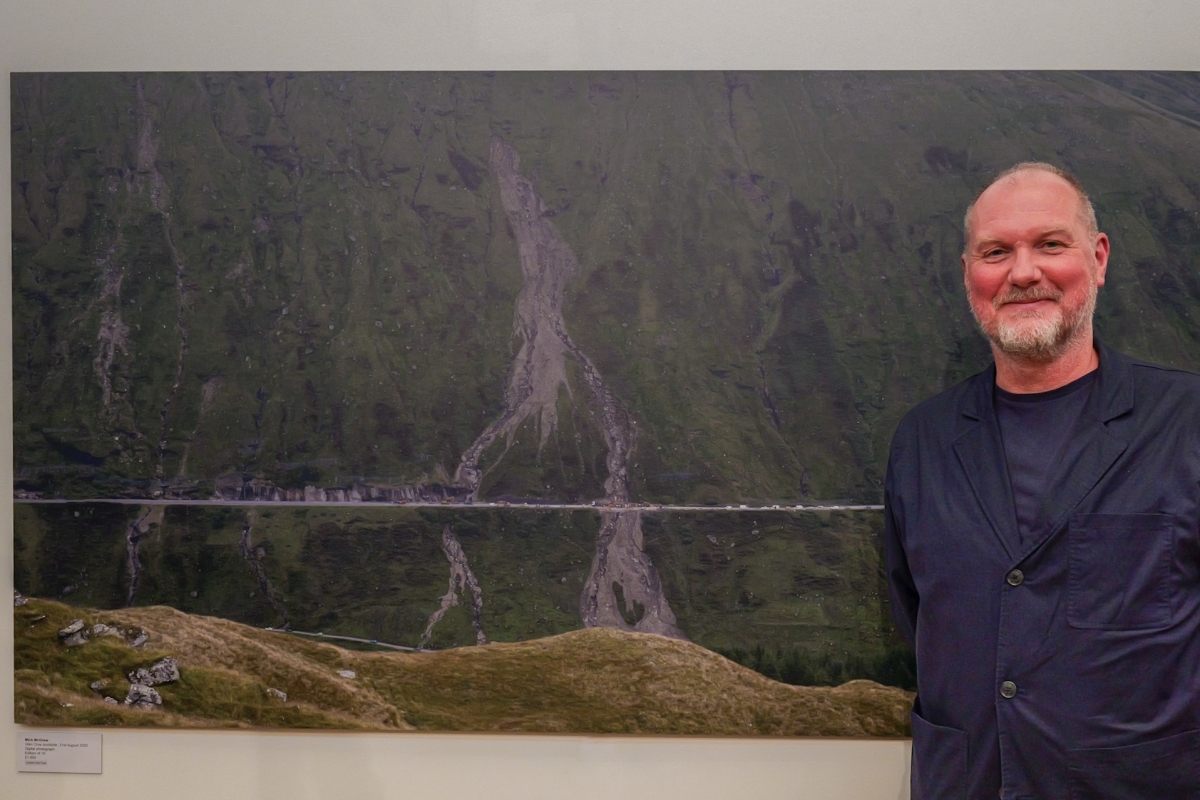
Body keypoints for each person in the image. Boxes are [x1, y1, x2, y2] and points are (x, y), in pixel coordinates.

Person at [884, 163, 1200, 799]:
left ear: (1099, 256)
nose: (1023, 272)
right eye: (996, 252)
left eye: (1050, 244)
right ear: (970, 272)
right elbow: (916, 611)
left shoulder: (1187, 424)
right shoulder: (921, 440)